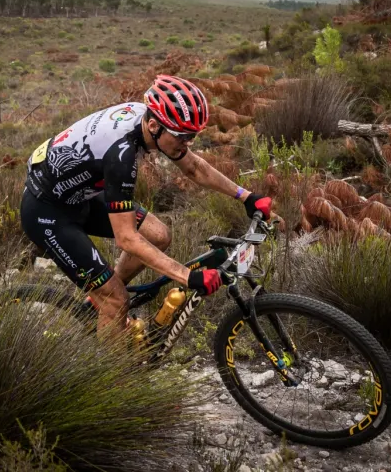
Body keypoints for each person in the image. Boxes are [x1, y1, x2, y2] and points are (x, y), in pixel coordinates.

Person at [19, 74, 278, 338]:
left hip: (78, 195)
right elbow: (127, 239)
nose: (186, 143)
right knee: (116, 300)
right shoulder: (122, 155)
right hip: (47, 213)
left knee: (158, 235)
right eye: (182, 136)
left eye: (192, 136)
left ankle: (97, 305)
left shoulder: (148, 120)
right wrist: (186, 276)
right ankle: (111, 371)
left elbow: (194, 167)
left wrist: (246, 196)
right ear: (155, 126)